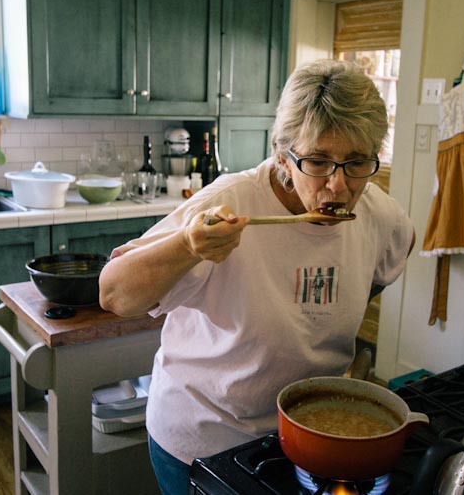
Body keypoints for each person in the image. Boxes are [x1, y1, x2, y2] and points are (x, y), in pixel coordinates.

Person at [98, 59, 415, 494]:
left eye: (356, 162)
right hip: (205, 441)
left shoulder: (379, 213)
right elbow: (114, 293)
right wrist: (187, 247)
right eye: (318, 161)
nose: (338, 186)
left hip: (311, 434)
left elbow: (394, 254)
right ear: (283, 155)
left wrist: (320, 311)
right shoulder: (229, 202)